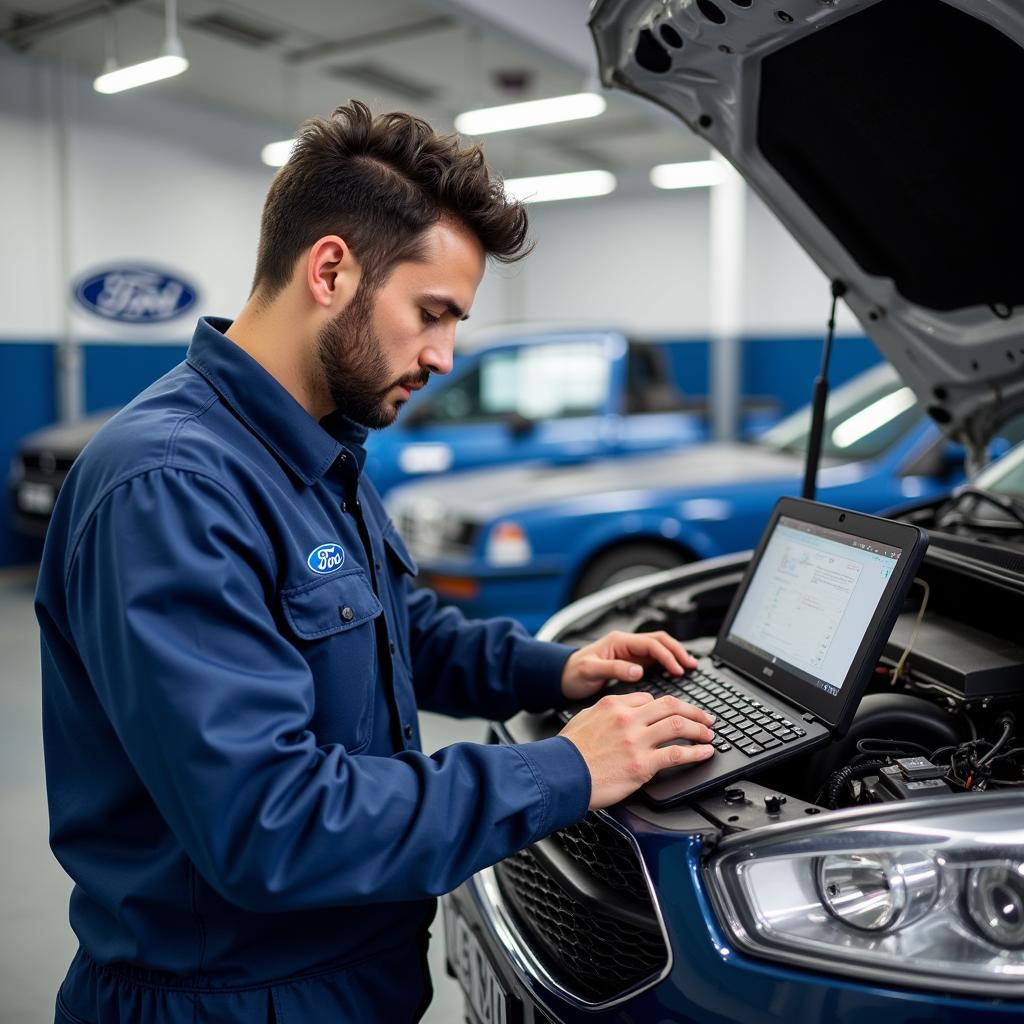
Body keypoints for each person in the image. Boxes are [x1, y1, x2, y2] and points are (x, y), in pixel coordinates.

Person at [36, 101, 715, 1024]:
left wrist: (553, 667)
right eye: (431, 314)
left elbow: (397, 629)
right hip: (229, 1000)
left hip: (351, 975)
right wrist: (565, 768)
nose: (442, 356)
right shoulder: (171, 485)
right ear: (330, 269)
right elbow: (268, 822)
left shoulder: (318, 447)